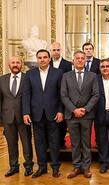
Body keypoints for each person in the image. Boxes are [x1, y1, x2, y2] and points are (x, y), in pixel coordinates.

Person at [22, 49, 63, 178]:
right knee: (39, 142)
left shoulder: (58, 73)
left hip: (53, 114)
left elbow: (62, 94)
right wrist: (26, 112)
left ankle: (55, 167)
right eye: (40, 58)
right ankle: (42, 167)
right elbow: (26, 95)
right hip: (36, 114)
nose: (42, 60)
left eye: (45, 57)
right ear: (37, 59)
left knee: (54, 142)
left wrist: (60, 111)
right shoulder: (30, 74)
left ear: (49, 59)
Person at [61, 51, 99, 179]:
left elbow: (96, 95)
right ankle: (76, 166)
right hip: (71, 116)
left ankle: (86, 168)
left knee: (86, 143)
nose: (80, 60)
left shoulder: (92, 76)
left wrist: (86, 109)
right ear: (73, 60)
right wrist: (73, 110)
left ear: (85, 61)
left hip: (86, 115)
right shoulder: (66, 76)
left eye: (82, 58)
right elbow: (63, 95)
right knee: (75, 143)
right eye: (77, 58)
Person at [0, 56, 33, 177]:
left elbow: (31, 98)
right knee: (11, 144)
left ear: (22, 64)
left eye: (18, 62)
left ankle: (28, 166)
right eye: (13, 62)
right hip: (7, 117)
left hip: (24, 117)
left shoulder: (27, 78)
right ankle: (13, 166)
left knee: (26, 143)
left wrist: (29, 113)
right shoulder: (2, 79)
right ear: (9, 65)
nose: (15, 64)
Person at [50, 41, 72, 148]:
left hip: (63, 97)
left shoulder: (67, 64)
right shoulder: (47, 63)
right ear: (51, 51)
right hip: (50, 98)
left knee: (62, 123)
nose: (56, 52)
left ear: (61, 50)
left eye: (58, 50)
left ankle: (61, 143)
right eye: (54, 50)